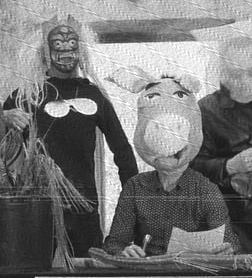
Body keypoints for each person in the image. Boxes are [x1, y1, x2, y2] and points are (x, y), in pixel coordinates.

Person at [3, 15, 138, 257]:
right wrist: (7, 119)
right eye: (57, 43)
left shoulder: (94, 95)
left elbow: (123, 151)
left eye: (72, 43)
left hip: (84, 205)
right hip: (40, 205)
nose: (66, 48)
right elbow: (4, 154)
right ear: (45, 50)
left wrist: (134, 201)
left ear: (81, 49)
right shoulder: (25, 96)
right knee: (34, 270)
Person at [103, 70, 240, 257]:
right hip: (147, 274)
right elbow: (115, 242)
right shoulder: (135, 187)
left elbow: (230, 242)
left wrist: (227, 249)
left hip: (190, 274)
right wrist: (123, 251)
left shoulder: (206, 190)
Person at [191, 37, 252, 253]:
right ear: (223, 72)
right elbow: (192, 166)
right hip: (239, 223)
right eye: (236, 74)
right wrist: (230, 165)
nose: (246, 80)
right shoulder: (207, 109)